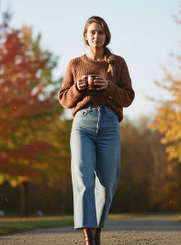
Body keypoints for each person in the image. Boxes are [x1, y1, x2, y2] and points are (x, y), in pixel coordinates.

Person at [58, 16, 135, 245]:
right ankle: (88, 235)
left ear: (106, 36)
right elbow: (64, 99)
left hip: (110, 124)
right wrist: (78, 88)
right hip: (82, 123)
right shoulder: (74, 64)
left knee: (108, 181)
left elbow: (129, 97)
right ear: (85, 36)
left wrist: (108, 86)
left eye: (100, 32)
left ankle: (98, 227)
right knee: (82, 179)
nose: (96, 36)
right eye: (92, 32)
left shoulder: (118, 63)